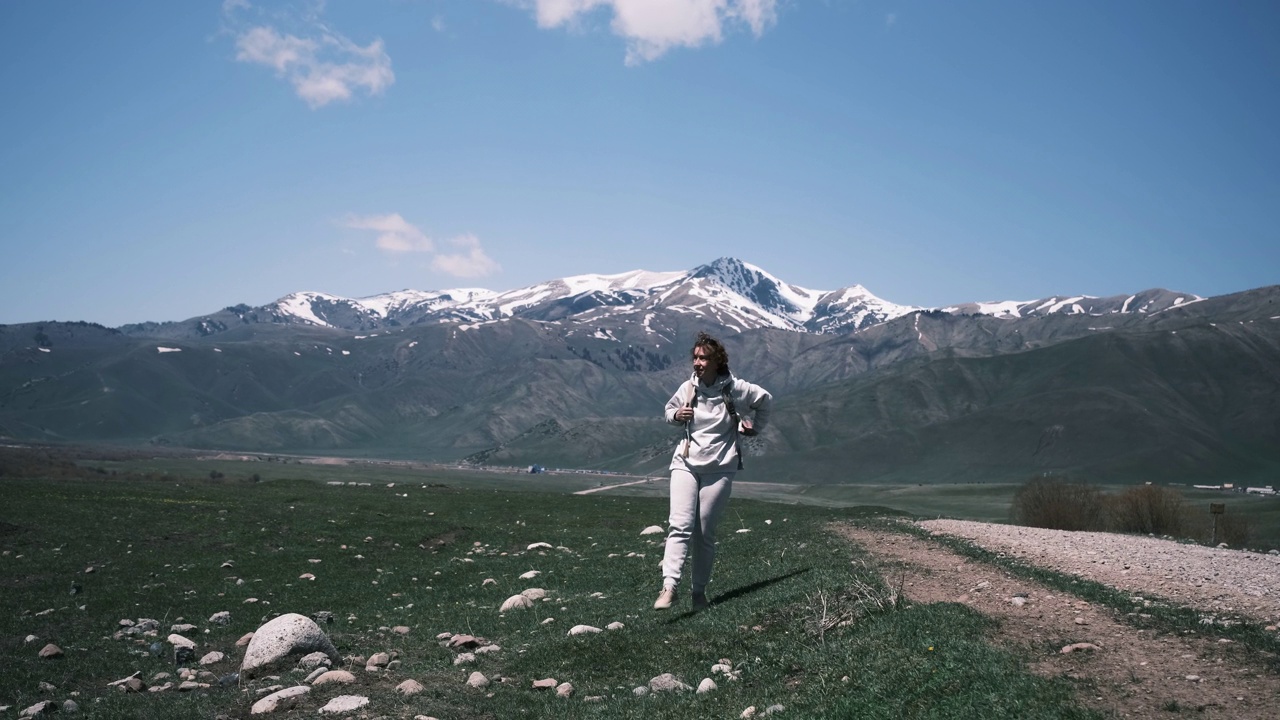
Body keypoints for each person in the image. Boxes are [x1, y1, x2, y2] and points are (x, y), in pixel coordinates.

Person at [654, 331, 772, 610]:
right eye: (695, 357)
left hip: (720, 467)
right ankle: (669, 587)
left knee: (705, 532)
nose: (697, 363)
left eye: (703, 358)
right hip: (685, 462)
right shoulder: (688, 388)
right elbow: (669, 411)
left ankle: (698, 594)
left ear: (718, 361)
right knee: (679, 526)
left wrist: (756, 428)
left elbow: (766, 400)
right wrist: (676, 416)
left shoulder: (737, 389)